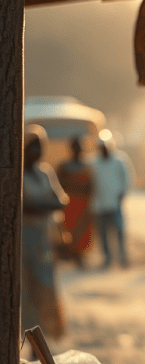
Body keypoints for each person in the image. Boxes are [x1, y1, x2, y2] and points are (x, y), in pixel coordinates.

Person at [21, 124, 69, 342]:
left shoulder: (44, 172)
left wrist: (39, 205)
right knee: (26, 288)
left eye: (40, 147)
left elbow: (60, 201)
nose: (38, 152)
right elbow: (23, 206)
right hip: (23, 239)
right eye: (34, 147)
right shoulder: (17, 174)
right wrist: (44, 205)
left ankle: (41, 339)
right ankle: (27, 338)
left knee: (46, 287)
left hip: (43, 239)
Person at [91, 136, 133, 269]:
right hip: (100, 203)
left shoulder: (119, 160)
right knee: (103, 233)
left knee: (119, 231)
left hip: (115, 203)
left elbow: (128, 177)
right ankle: (107, 258)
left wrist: (123, 193)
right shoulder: (94, 162)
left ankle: (122, 257)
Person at [56, 137, 95, 267]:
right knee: (69, 229)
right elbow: (58, 185)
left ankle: (80, 255)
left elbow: (92, 186)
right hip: (69, 204)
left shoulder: (88, 166)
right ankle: (71, 254)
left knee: (83, 230)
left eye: (80, 147)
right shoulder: (64, 166)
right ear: (72, 149)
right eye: (76, 147)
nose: (78, 150)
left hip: (84, 204)